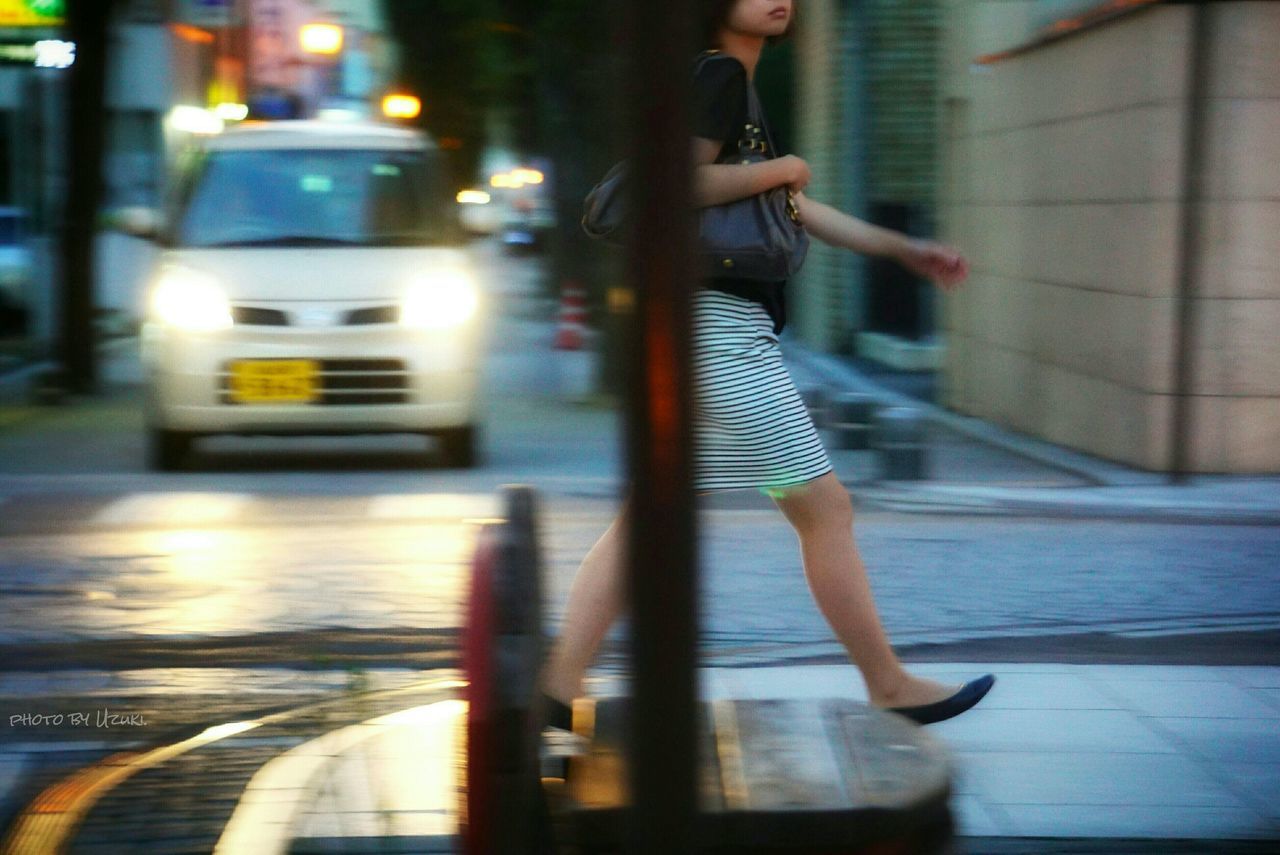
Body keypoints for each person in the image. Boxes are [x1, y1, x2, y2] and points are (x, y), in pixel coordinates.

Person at [539, 0, 993, 732]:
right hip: (719, 333)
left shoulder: (727, 89)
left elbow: (792, 208)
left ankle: (556, 686)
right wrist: (783, 166)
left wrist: (905, 251)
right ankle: (887, 683)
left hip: (695, 330)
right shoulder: (717, 76)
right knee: (825, 508)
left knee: (649, 518)